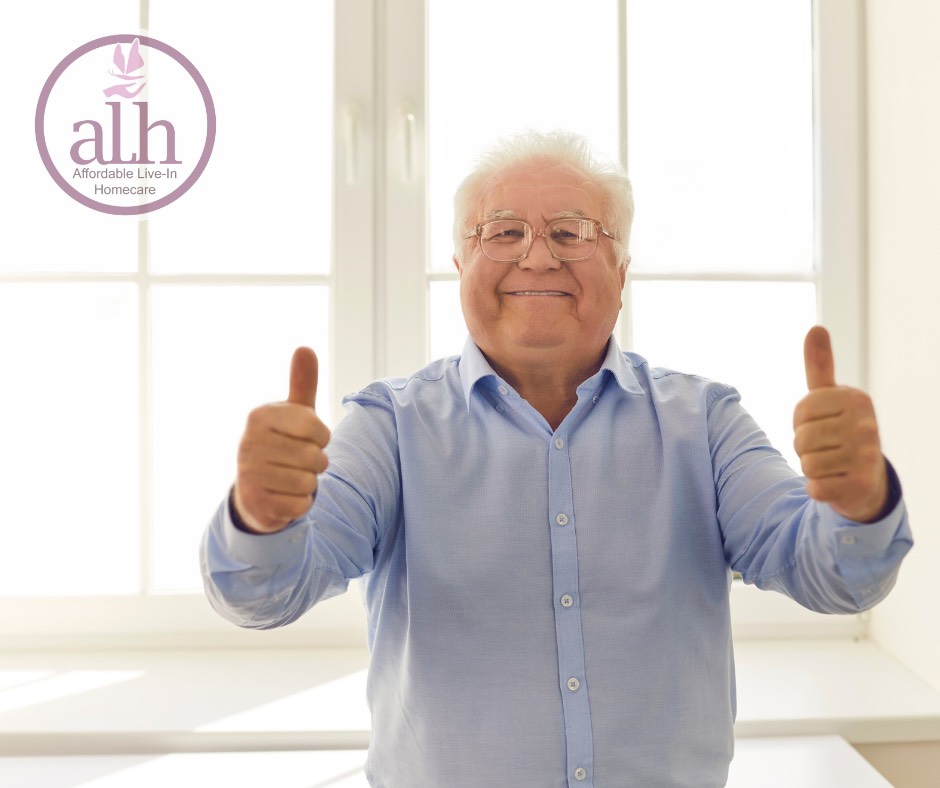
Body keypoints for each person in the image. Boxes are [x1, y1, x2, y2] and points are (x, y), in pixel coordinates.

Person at [201, 131, 912, 787]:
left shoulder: (705, 422)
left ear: (621, 271)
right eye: (503, 231)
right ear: (461, 266)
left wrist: (858, 504)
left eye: (571, 232)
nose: (537, 257)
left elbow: (832, 578)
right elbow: (265, 596)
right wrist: (259, 519)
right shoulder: (388, 425)